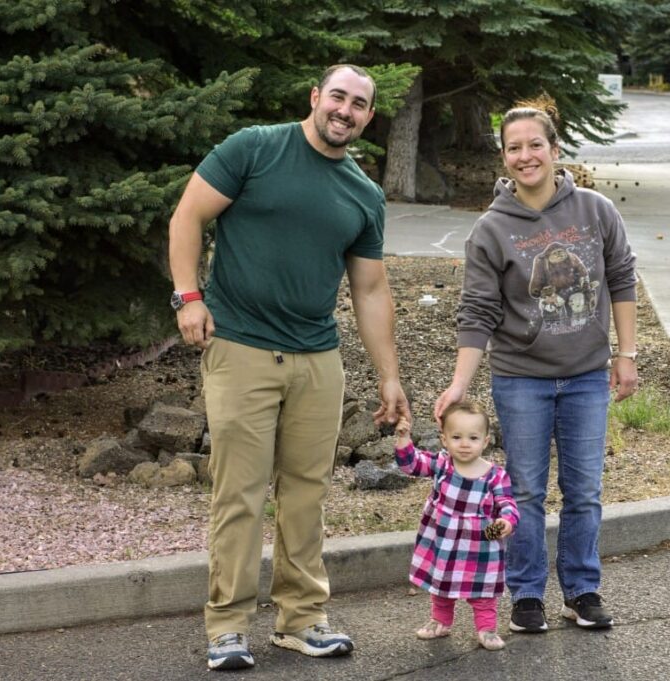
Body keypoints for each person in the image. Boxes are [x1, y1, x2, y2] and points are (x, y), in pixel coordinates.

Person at [168, 64, 410, 671]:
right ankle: (227, 627)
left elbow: (372, 289)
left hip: (316, 357)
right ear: (315, 98)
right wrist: (188, 296)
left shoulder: (363, 193)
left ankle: (301, 620)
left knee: (307, 494)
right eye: (338, 97)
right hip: (242, 347)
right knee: (240, 494)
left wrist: (389, 377)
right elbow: (187, 216)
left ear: (367, 118)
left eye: (358, 105)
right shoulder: (254, 149)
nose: (345, 111)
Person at [434, 97, 639, 634]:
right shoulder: (491, 229)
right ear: (503, 157)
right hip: (520, 377)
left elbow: (622, 279)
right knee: (522, 491)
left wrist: (627, 354)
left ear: (554, 148)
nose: (525, 156)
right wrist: (460, 383)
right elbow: (477, 311)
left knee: (584, 489)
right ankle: (526, 594)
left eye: (534, 145)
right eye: (513, 148)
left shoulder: (596, 211)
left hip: (587, 376)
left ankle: (581, 589)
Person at [393, 401, 519, 651]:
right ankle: (440, 620)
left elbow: (507, 501)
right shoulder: (442, 465)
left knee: (482, 588)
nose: (464, 443)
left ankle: (486, 628)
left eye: (473, 437)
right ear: (444, 439)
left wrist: (506, 520)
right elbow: (412, 464)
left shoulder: (495, 475)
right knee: (441, 581)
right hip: (445, 538)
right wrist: (403, 439)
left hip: (480, 541)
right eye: (457, 437)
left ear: (485, 441)